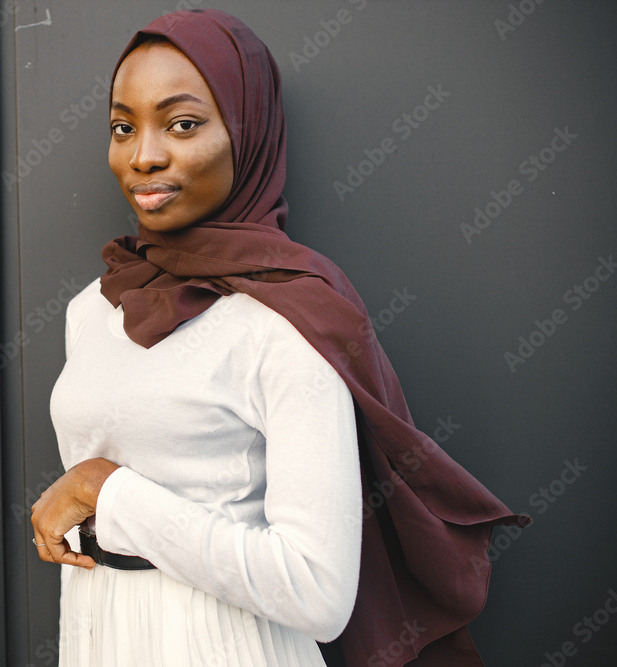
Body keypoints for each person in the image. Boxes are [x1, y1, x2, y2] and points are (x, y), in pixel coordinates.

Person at [30, 9, 529, 666]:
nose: (143, 155)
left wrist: (106, 489)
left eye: (183, 124)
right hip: (100, 635)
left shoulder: (288, 319)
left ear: (250, 133)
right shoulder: (93, 309)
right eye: (124, 128)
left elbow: (318, 591)